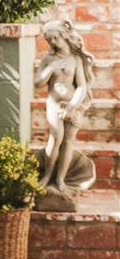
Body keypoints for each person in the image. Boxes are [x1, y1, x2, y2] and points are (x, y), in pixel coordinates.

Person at [34, 19, 94, 193]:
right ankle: (47, 176)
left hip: (72, 106)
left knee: (68, 142)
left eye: (55, 38)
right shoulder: (48, 59)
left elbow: (82, 86)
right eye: (49, 40)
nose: (52, 42)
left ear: (64, 36)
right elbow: (38, 83)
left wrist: (72, 106)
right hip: (54, 103)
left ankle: (60, 180)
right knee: (55, 138)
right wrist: (51, 68)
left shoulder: (76, 59)